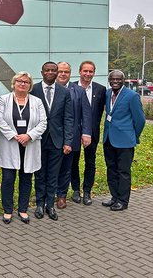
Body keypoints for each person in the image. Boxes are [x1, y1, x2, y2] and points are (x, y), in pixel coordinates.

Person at [0, 72, 47, 224]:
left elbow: (43, 123)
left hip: (29, 144)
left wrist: (29, 136)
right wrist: (14, 136)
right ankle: (8, 210)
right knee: (8, 178)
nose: (22, 84)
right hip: (10, 144)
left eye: (26, 82)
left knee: (26, 178)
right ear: (14, 83)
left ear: (30, 85)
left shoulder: (37, 102)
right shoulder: (4, 100)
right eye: (19, 81)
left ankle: (23, 209)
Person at [30, 62, 73, 221]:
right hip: (38, 139)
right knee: (40, 174)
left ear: (57, 73)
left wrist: (68, 141)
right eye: (47, 70)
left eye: (53, 70)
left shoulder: (64, 92)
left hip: (57, 140)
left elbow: (69, 118)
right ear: (42, 72)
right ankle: (39, 204)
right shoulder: (33, 89)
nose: (50, 72)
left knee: (53, 174)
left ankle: (50, 205)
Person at [102, 70, 145, 211]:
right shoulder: (107, 93)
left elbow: (140, 120)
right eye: (112, 79)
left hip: (125, 141)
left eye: (118, 79)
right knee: (111, 170)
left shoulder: (132, 96)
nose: (115, 81)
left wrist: (133, 135)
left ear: (123, 80)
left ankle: (123, 201)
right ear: (109, 80)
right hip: (109, 139)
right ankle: (114, 197)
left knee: (123, 172)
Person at [55, 62, 91, 210]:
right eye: (60, 71)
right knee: (51, 167)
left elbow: (86, 113)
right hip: (52, 136)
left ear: (71, 73)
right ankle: (48, 193)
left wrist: (86, 133)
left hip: (72, 136)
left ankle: (62, 195)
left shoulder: (79, 91)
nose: (63, 74)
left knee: (66, 167)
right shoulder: (49, 89)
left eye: (66, 72)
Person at [71, 61, 106, 205]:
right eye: (85, 71)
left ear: (94, 73)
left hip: (92, 133)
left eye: (91, 71)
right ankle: (75, 190)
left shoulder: (100, 89)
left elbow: (100, 111)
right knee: (73, 162)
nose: (87, 74)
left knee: (90, 163)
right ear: (80, 71)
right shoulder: (71, 87)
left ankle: (87, 191)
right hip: (74, 132)